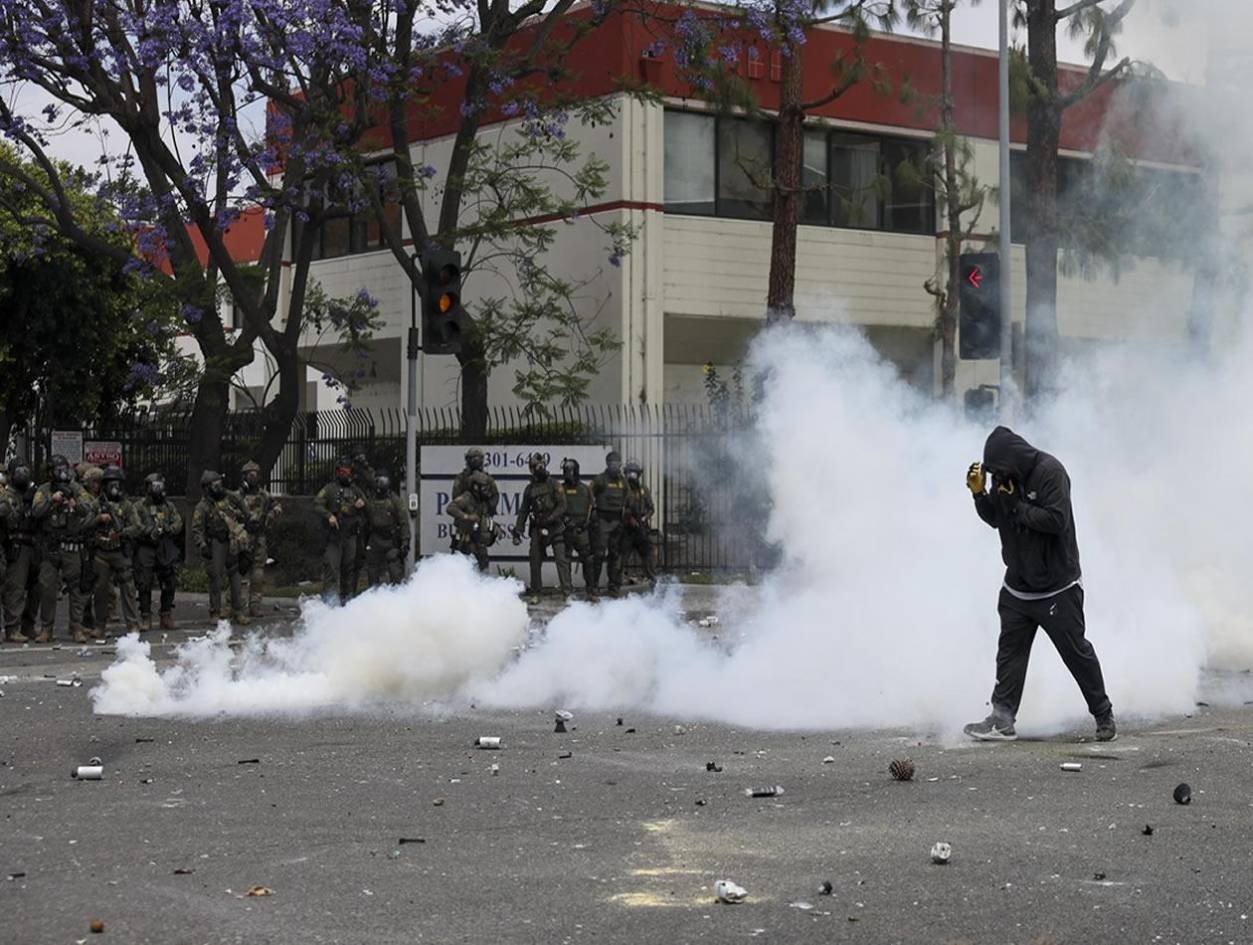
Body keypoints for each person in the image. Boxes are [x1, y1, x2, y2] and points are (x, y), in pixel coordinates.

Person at [963, 426, 1116, 743]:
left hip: (1057, 587)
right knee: (1010, 652)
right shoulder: (1004, 479)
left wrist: (1016, 504)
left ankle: (1103, 715)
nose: (997, 479)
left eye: (999, 472)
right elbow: (997, 518)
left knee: (1076, 652)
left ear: (1014, 459)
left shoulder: (1050, 472)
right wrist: (979, 495)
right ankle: (1002, 719)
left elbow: (1055, 521)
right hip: (1018, 587)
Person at [31, 461, 97, 643]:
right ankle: (46, 628)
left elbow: (89, 508)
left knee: (76, 588)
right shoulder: (44, 490)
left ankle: (76, 627)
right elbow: (35, 511)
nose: (61, 473)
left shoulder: (75, 488)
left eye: (63, 469)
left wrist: (74, 504)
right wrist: (52, 500)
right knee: (47, 587)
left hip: (72, 545)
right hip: (50, 545)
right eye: (56, 470)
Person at [191, 469, 251, 625]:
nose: (219, 487)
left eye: (220, 484)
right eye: (215, 485)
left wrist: (245, 518)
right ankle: (215, 612)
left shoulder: (229, 497)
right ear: (207, 488)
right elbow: (197, 529)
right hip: (216, 543)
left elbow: (243, 508)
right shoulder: (202, 506)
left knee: (236, 577)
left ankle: (238, 611)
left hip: (232, 542)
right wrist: (203, 545)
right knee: (216, 579)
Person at [89, 465, 142, 637]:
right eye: (111, 484)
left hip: (120, 551)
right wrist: (99, 519)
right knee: (100, 590)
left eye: (117, 484)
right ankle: (100, 626)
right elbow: (84, 524)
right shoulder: (97, 504)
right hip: (101, 553)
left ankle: (132, 624)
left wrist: (121, 533)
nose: (114, 488)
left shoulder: (127, 506)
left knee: (128, 588)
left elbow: (137, 527)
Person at [513, 453, 571, 598]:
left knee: (561, 560)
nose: (536, 469)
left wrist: (551, 517)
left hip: (555, 527)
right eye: (533, 467)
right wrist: (518, 531)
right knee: (534, 558)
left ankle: (567, 592)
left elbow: (563, 505)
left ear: (544, 465)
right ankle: (536, 592)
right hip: (538, 528)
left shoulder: (554, 484)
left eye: (538, 466)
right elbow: (524, 511)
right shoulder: (530, 488)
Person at [313, 459, 368, 604]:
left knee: (349, 569)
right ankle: (329, 601)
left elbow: (366, 501)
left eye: (347, 472)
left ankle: (347, 600)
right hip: (335, 537)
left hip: (351, 536)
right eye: (342, 472)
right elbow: (317, 504)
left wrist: (362, 503)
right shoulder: (330, 489)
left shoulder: (355, 489)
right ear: (338, 473)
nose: (345, 475)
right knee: (331, 567)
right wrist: (329, 515)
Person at [134, 472, 183, 631]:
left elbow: (178, 523)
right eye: (154, 486)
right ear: (147, 487)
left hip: (164, 546)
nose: (158, 489)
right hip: (146, 546)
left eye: (160, 486)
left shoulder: (168, 506)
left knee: (169, 581)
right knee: (144, 582)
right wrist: (148, 531)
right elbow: (134, 524)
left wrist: (167, 529)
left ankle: (166, 615)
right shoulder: (139, 506)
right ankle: (146, 617)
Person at [1, 459, 41, 642]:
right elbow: (8, 519)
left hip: (34, 544)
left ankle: (28, 624)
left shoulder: (35, 494)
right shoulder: (7, 496)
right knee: (15, 588)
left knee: (36, 587)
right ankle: (12, 627)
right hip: (17, 544)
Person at [237, 460, 282, 617]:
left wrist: (270, 516)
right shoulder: (238, 496)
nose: (252, 477)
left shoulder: (264, 495)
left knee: (257, 572)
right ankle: (239, 606)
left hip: (259, 537)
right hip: (242, 537)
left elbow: (277, 507)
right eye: (249, 475)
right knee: (240, 572)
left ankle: (255, 606)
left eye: (255, 474)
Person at [589, 451, 627, 596]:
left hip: (617, 521)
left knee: (614, 555)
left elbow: (627, 495)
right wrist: (594, 504)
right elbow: (589, 491)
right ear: (608, 464)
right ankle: (594, 587)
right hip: (602, 520)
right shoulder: (600, 479)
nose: (616, 466)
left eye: (618, 463)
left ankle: (613, 586)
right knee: (598, 555)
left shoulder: (622, 481)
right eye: (613, 463)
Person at [364, 470, 409, 587]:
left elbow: (403, 522)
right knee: (372, 572)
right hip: (375, 538)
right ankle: (373, 598)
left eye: (382, 481)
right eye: (378, 481)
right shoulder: (371, 499)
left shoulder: (395, 500)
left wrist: (405, 541)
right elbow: (365, 519)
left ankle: (399, 597)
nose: (379, 484)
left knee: (395, 572)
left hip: (390, 539)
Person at [559, 458, 596, 598]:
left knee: (588, 560)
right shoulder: (560, 489)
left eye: (570, 471)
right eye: (566, 472)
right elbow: (555, 508)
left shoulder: (585, 489)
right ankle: (567, 592)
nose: (568, 475)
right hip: (566, 530)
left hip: (582, 531)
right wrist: (564, 520)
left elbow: (594, 508)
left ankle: (591, 591)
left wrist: (588, 522)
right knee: (565, 561)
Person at [446, 471, 498, 572]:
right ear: (475, 487)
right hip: (465, 543)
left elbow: (484, 518)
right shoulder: (467, 498)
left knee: (483, 568)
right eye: (483, 487)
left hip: (478, 542)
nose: (486, 491)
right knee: (462, 571)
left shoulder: (482, 502)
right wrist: (467, 516)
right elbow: (450, 508)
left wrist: (494, 527)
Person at [621, 459, 657, 587]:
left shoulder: (644, 489)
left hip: (641, 527)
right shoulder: (623, 489)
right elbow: (621, 507)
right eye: (629, 473)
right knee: (623, 554)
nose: (632, 476)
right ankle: (620, 579)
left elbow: (651, 508)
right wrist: (629, 518)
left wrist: (645, 518)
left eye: (634, 473)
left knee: (648, 554)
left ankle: (651, 579)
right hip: (627, 528)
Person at [452, 447, 499, 513]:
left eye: (478, 458)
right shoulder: (461, 478)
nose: (475, 460)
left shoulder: (488, 479)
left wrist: (487, 504)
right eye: (473, 458)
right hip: (465, 517)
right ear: (468, 459)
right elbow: (455, 497)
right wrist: (469, 483)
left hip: (483, 516)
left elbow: (495, 496)